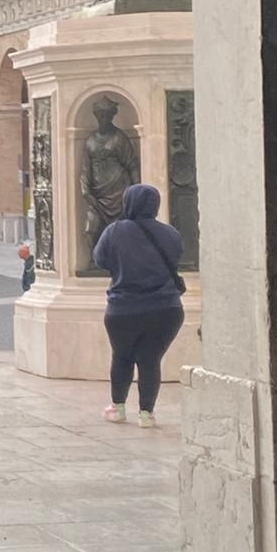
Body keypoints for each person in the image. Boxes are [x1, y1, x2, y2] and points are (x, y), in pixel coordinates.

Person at [93, 182, 185, 427]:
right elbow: (177, 256)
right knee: (150, 359)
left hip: (124, 308)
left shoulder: (114, 231)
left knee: (122, 357)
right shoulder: (170, 233)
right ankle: (147, 413)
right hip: (166, 309)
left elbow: (100, 260)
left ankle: (118, 407)